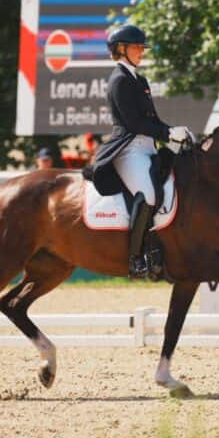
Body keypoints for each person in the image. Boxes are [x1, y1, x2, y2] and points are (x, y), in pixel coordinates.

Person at [86, 24, 193, 278]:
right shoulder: (119, 80)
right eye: (137, 47)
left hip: (147, 147)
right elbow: (134, 123)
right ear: (121, 49)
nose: (141, 52)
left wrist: (173, 133)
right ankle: (136, 257)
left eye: (142, 47)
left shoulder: (139, 79)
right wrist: (167, 134)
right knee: (148, 195)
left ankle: (160, 250)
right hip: (128, 150)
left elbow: (151, 119)